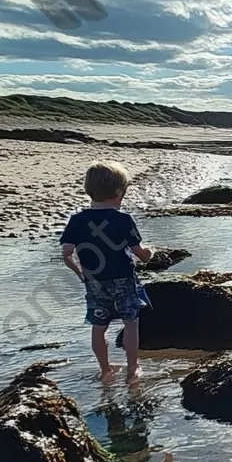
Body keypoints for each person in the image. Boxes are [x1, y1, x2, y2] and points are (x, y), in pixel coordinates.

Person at [60, 161, 154, 383]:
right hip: (123, 279)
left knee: (98, 325)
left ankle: (105, 371)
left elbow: (66, 253)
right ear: (120, 192)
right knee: (131, 324)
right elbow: (139, 253)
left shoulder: (77, 220)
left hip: (94, 281)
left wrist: (81, 274)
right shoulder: (123, 219)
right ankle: (132, 370)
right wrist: (151, 253)